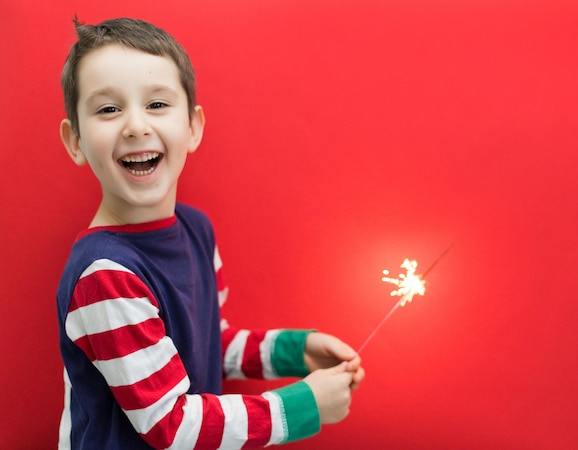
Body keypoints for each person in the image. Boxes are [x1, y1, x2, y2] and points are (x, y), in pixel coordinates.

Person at [56, 17, 364, 450]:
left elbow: (206, 343)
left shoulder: (196, 230)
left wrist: (296, 350)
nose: (135, 126)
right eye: (108, 109)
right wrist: (302, 406)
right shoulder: (104, 277)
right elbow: (172, 424)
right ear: (75, 141)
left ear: (193, 126)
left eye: (157, 105)